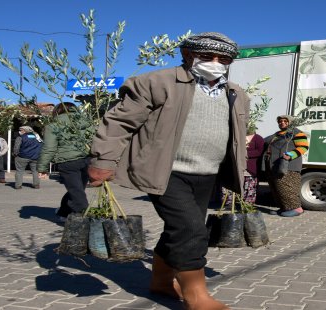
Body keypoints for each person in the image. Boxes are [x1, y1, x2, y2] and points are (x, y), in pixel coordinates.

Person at [88, 32, 249, 310]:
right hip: (166, 172)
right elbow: (120, 122)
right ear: (187, 55)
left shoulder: (235, 93)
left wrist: (241, 171)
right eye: (206, 56)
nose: (215, 62)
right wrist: (103, 160)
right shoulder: (157, 82)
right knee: (191, 229)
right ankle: (196, 296)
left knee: (178, 230)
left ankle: (161, 282)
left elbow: (237, 135)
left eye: (223, 58)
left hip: (207, 174)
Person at [37, 102, 92, 220]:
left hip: (67, 162)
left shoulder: (54, 126)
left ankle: (84, 219)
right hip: (87, 159)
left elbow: (49, 148)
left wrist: (42, 168)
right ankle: (64, 212)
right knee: (77, 189)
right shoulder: (86, 122)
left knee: (76, 191)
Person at [264, 115, 309, 217]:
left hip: (288, 166)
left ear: (291, 122)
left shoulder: (296, 132)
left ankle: (297, 208)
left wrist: (290, 155)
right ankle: (284, 207)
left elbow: (304, 147)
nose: (282, 122)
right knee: (277, 188)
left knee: (287, 188)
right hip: (274, 165)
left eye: (285, 121)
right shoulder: (277, 134)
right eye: (280, 121)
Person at [221, 126, 265, 206]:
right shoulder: (237, 137)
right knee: (232, 184)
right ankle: (228, 203)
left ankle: (247, 204)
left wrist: (244, 154)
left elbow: (259, 151)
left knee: (249, 186)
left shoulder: (258, 138)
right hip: (236, 166)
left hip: (250, 168)